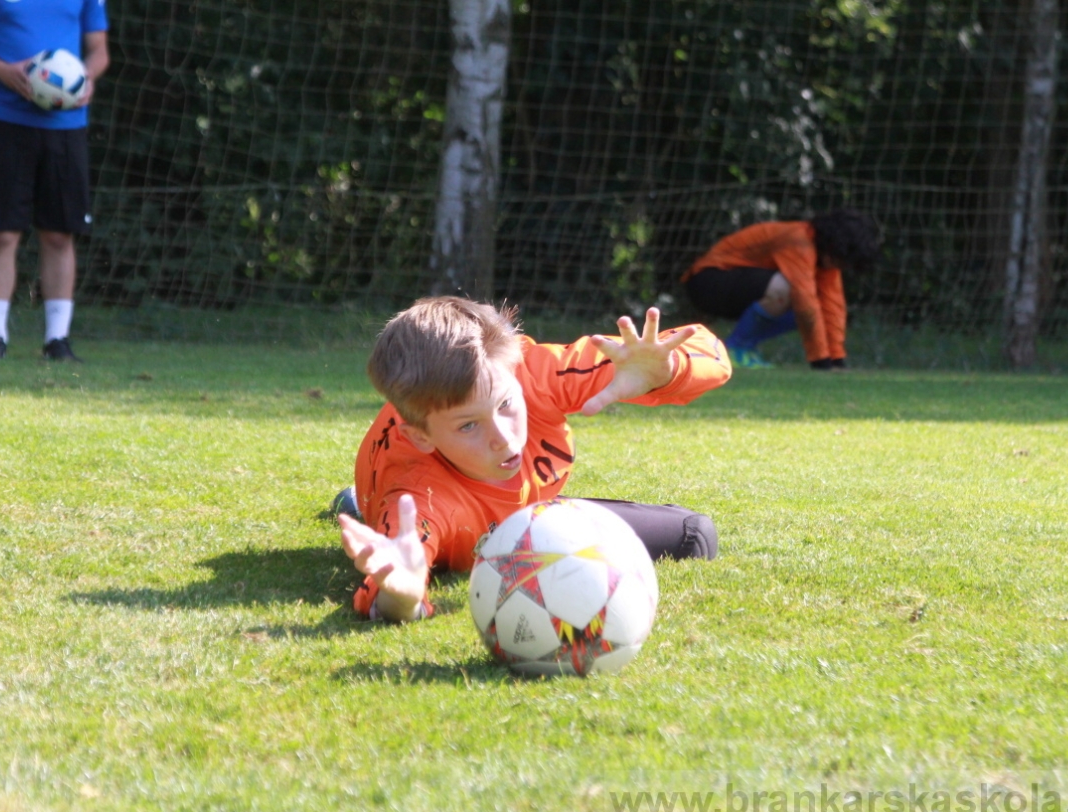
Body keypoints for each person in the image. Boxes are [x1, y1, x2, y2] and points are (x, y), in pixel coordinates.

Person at [337, 296, 733, 622]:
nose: (503, 438)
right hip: (408, 498)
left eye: (507, 405)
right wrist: (403, 597)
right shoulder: (417, 498)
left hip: (529, 510)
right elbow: (387, 590)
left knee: (694, 535)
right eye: (469, 427)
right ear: (421, 436)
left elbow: (706, 348)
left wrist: (667, 370)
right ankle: (358, 502)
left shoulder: (535, 373)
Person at [0, 0, 111, 361]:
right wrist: (4, 71)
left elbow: (99, 52)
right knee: (2, 231)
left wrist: (86, 78)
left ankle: (57, 340)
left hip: (66, 125)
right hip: (6, 121)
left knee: (58, 234)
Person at [680, 209, 879, 370]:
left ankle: (745, 348)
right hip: (708, 281)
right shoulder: (798, 240)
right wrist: (820, 360)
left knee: (813, 303)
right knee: (788, 290)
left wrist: (836, 358)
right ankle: (734, 349)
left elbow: (833, 306)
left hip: (740, 287)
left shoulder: (826, 259)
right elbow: (804, 301)